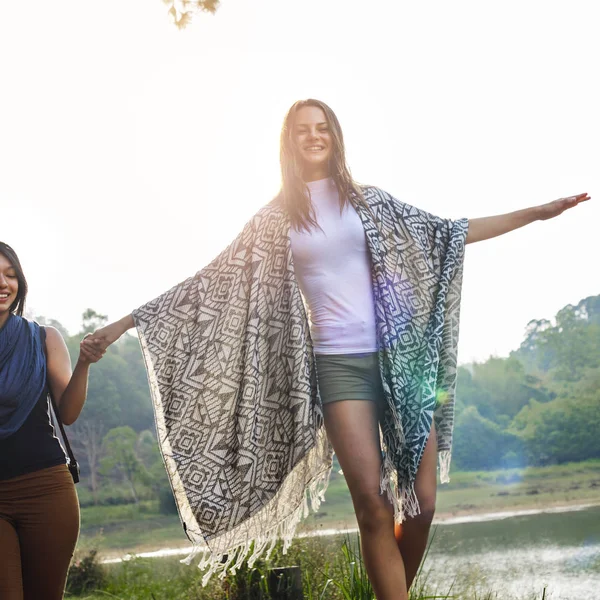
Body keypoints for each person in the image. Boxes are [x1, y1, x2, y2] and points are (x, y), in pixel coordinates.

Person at [84, 100, 589, 599]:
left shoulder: (371, 202)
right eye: (303, 129)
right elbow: (206, 284)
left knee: (425, 504)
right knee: (374, 506)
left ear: (335, 135)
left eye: (322, 127)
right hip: (337, 367)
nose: (313, 136)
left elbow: (449, 234)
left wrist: (537, 214)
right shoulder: (274, 217)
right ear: (289, 141)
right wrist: (123, 325)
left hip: (401, 361)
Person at [0, 242, 105, 600]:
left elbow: (68, 414)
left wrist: (84, 364)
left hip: (45, 489)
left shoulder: (43, 338)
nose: (3, 283)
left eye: (10, 275)